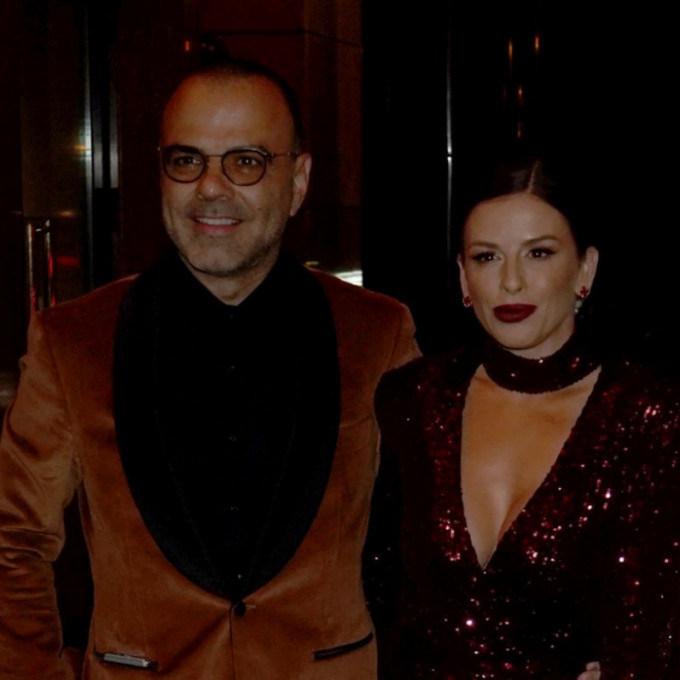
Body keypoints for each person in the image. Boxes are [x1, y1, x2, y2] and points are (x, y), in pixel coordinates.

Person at [0, 59, 419, 679]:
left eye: (246, 161)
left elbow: (426, 533)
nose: (211, 188)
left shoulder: (377, 333)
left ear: (298, 181)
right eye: (187, 160)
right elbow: (12, 540)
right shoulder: (73, 340)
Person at [374, 156, 680, 678]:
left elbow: (653, 623)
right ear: (463, 275)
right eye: (487, 257)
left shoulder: (648, 414)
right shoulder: (412, 398)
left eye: (538, 253)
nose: (511, 282)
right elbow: (379, 589)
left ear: (585, 269)